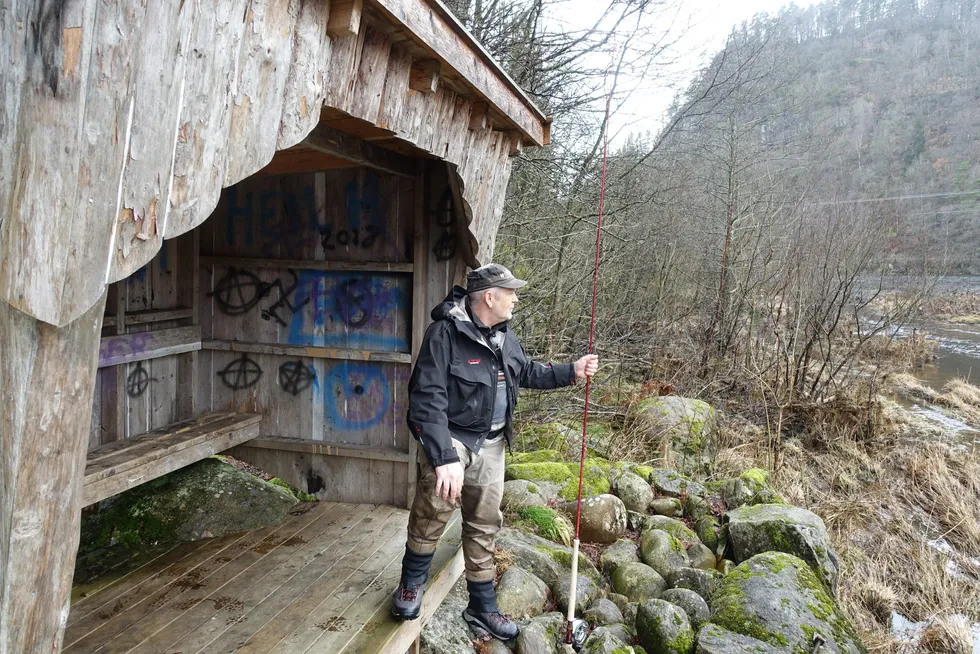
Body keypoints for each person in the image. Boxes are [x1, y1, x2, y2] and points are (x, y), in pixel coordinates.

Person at [391, 263, 599, 640]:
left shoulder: (505, 336)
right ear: (490, 297)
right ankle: (411, 584)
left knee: (485, 524)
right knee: (432, 510)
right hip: (454, 441)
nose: (516, 299)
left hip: (494, 444)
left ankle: (482, 606)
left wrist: (573, 371)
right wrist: (443, 458)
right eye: (511, 292)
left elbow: (529, 372)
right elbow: (426, 401)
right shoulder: (443, 335)